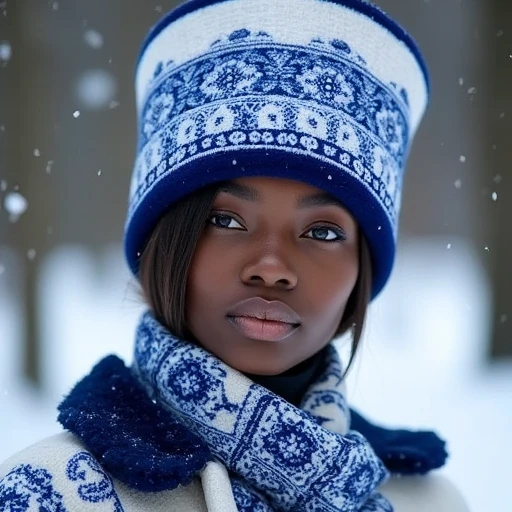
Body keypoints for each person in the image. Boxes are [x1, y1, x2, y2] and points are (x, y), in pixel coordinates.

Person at [0, 0, 470, 510]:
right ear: (162, 242)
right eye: (225, 221)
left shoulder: (429, 500)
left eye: (323, 231)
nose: (271, 267)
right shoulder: (54, 494)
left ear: (362, 269)